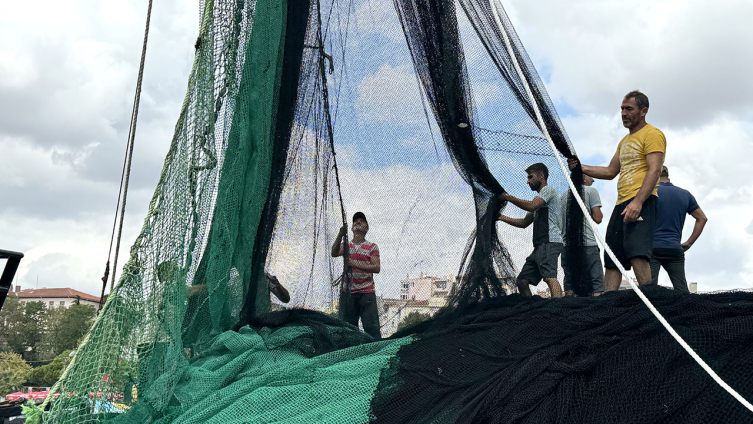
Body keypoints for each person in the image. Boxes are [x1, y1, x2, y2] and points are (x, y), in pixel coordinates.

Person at [569, 90, 665, 291]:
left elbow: (655, 169)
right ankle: (607, 307)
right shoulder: (624, 142)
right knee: (612, 257)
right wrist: (580, 167)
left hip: (642, 200)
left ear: (643, 111)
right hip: (622, 203)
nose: (623, 113)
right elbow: (611, 171)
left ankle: (652, 300)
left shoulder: (652, 134)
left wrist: (638, 202)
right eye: (622, 109)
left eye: (629, 109)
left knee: (637, 253)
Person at [498, 163, 563, 298]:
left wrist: (509, 197)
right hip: (539, 246)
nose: (528, 181)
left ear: (542, 176)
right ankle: (530, 308)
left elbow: (532, 205)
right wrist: (501, 217)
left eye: (530, 177)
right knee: (522, 280)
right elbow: (523, 223)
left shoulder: (547, 190)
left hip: (550, 242)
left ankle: (559, 308)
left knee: (549, 277)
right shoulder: (539, 202)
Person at [650, 166, 708, 292]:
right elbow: (702, 219)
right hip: (674, 249)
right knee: (682, 291)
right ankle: (688, 310)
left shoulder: (650, 193)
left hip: (652, 249)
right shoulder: (685, 194)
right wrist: (689, 242)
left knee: (649, 291)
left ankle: (650, 312)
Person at [331, 212, 382, 339]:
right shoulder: (347, 246)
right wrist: (340, 235)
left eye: (361, 221)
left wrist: (354, 263)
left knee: (372, 329)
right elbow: (334, 252)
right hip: (348, 293)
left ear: (366, 228)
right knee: (348, 330)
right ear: (352, 228)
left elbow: (376, 267)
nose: (358, 222)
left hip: (366, 292)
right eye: (355, 221)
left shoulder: (372, 246)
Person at [560, 175, 604, 296]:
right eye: (591, 177)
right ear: (583, 178)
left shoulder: (563, 196)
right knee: (597, 286)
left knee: (570, 287)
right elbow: (598, 218)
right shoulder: (591, 191)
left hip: (567, 247)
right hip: (588, 246)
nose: (593, 180)